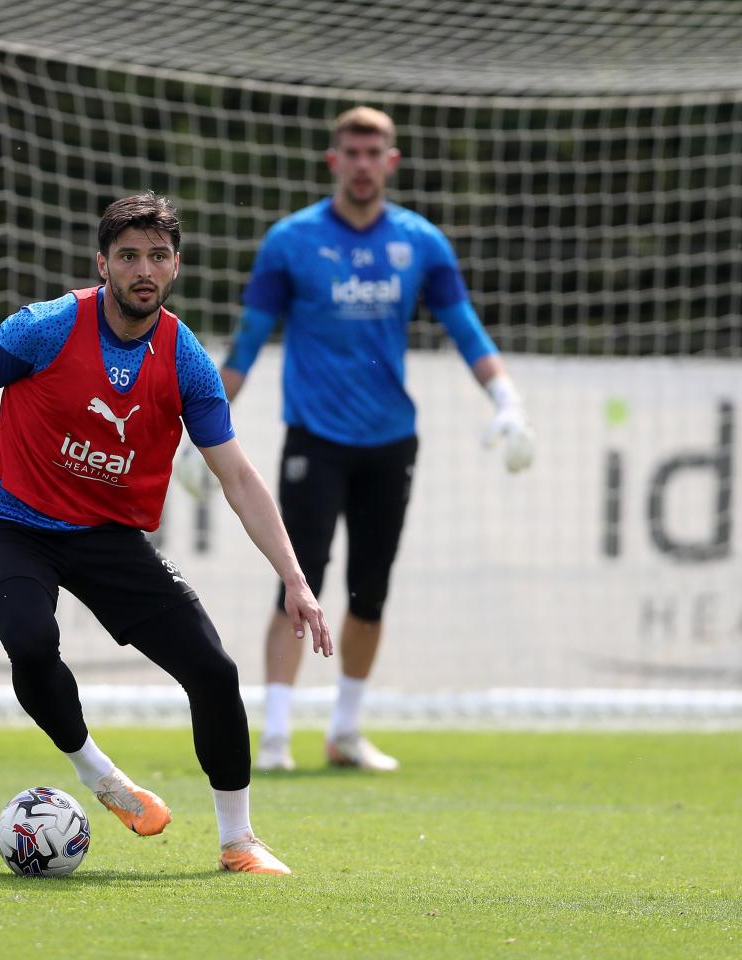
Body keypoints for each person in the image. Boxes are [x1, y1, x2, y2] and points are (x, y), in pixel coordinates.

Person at [0, 192, 332, 875]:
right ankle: (99, 775)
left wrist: (294, 578)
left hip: (107, 535)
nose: (143, 269)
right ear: (102, 263)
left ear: (175, 267)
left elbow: (240, 478)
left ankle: (239, 842)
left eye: (157, 257)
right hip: (9, 524)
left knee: (214, 672)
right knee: (33, 643)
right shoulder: (44, 328)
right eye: (128, 255)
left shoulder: (186, 359)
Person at [218, 107, 535, 773]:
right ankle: (275, 735)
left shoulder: (421, 242)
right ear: (334, 160)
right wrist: (202, 425)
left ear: (392, 162)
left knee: (370, 590)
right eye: (352, 152)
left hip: (391, 442)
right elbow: (247, 343)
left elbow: (466, 329)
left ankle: (345, 731)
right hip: (316, 437)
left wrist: (505, 396)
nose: (363, 163)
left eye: (375, 153)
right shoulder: (291, 241)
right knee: (296, 582)